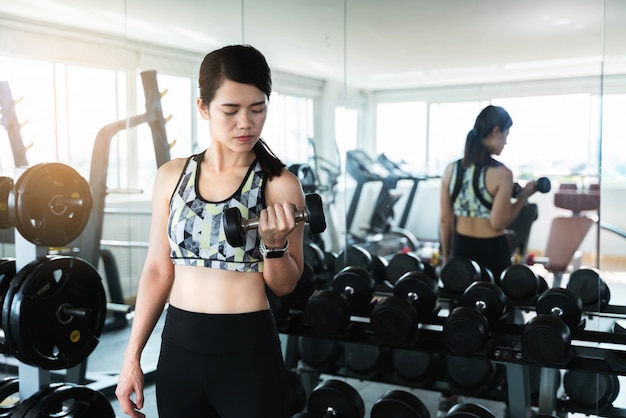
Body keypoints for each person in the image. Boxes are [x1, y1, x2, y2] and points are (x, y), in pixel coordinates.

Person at [115, 44, 305, 418]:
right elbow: (157, 269)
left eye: (258, 108)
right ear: (203, 108)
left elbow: (285, 285)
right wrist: (132, 356)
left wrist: (275, 245)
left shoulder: (279, 184)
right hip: (179, 348)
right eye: (230, 110)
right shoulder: (172, 176)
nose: (246, 123)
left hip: (247, 351)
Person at [437, 104, 537, 416]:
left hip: (462, 252)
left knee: (461, 320)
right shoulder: (501, 173)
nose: (506, 141)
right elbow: (498, 222)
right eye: (506, 134)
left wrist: (448, 260)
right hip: (493, 254)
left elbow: (445, 220)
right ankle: (509, 396)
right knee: (501, 321)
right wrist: (524, 195)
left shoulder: (452, 169)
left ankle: (452, 393)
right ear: (495, 132)